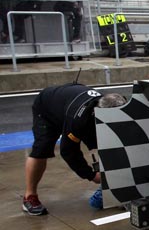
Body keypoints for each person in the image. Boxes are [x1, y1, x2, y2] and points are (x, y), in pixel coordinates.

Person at [22, 85, 127, 216]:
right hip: (47, 107)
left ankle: (112, 188)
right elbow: (68, 151)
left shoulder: (113, 107)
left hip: (69, 99)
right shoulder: (78, 120)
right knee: (42, 148)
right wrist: (91, 175)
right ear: (98, 114)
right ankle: (29, 196)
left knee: (106, 143)